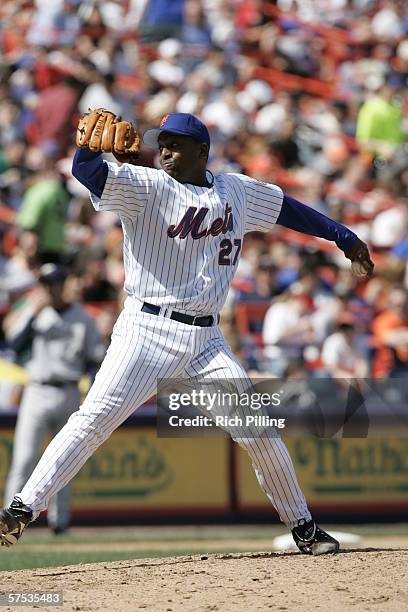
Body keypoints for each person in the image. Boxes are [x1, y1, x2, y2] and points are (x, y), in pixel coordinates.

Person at [0, 113, 374, 554]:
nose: (165, 151)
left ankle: (304, 527)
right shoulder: (146, 185)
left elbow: (288, 208)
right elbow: (88, 173)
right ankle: (23, 508)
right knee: (94, 419)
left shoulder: (234, 190)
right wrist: (87, 150)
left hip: (207, 342)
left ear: (202, 151)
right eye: (162, 143)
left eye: (176, 144)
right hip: (146, 330)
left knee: (257, 430)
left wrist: (343, 237)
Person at [2, 264, 105, 534]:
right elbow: (13, 347)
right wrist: (33, 316)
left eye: (54, 282)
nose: (50, 288)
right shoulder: (34, 312)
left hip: (69, 389)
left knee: (64, 461)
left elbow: (94, 359)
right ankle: (8, 521)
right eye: (46, 283)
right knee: (23, 458)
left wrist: (91, 390)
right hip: (36, 390)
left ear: (63, 284)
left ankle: (60, 523)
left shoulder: (81, 317)